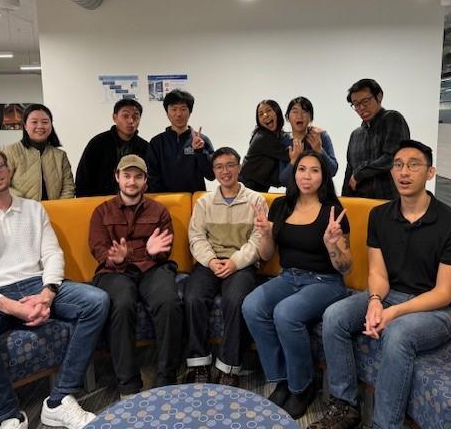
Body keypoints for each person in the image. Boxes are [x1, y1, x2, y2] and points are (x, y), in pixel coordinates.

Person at [309, 139, 451, 429]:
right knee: (334, 316)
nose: (404, 172)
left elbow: (444, 293)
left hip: (434, 309)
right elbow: (379, 275)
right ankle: (345, 406)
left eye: (413, 165)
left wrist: (392, 312)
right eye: (398, 165)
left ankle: (385, 425)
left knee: (396, 334)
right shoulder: (380, 216)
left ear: (430, 172)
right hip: (389, 295)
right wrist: (374, 301)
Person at [0, 146, 109, 429]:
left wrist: (48, 293)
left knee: (96, 300)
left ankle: (59, 400)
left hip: (36, 283)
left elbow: (52, 255)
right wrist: (14, 308)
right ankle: (9, 414)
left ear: (8, 169)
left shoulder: (33, 209)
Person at [242, 150, 352, 419]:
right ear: (294, 173)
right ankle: (283, 379)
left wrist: (331, 245)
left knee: (286, 313)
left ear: (323, 176)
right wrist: (266, 234)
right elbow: (268, 255)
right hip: (289, 277)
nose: (307, 176)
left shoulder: (333, 211)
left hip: (326, 281)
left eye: (315, 170)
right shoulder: (281, 206)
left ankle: (303, 386)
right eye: (302, 169)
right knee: (252, 305)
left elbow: (346, 266)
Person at [89, 155, 182, 397]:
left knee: (169, 302)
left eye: (137, 176)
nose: (132, 181)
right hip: (114, 271)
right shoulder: (101, 212)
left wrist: (136, 253)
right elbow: (100, 250)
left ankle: (166, 378)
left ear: (145, 181)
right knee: (121, 303)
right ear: (117, 177)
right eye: (127, 176)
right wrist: (130, 255)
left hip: (153, 268)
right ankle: (128, 385)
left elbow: (162, 251)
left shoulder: (159, 211)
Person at [184, 147, 265, 387]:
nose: (225, 171)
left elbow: (258, 238)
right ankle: (199, 364)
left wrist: (235, 262)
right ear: (214, 171)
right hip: (210, 262)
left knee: (235, 300)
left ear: (239, 167)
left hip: (241, 264)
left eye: (230, 165)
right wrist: (210, 261)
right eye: (219, 167)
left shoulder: (255, 200)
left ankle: (229, 368)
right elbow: (196, 237)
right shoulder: (204, 202)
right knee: (193, 297)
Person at [342, 79, 410, 200]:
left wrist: (359, 174)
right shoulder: (355, 135)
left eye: (365, 101)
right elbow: (349, 170)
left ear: (379, 97)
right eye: (356, 104)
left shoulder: (393, 118)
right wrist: (344, 201)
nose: (361, 108)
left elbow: (392, 157)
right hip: (360, 202)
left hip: (388, 201)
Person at [75, 98, 149, 197]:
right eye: (125, 116)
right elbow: (83, 177)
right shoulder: (98, 143)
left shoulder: (145, 146)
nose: (131, 121)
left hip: (133, 202)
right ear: (115, 118)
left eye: (135, 117)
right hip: (100, 203)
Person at [146, 89, 214, 192]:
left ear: (190, 112)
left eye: (183, 109)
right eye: (174, 109)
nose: (178, 114)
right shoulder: (157, 142)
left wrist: (200, 152)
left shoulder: (202, 140)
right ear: (167, 113)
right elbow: (151, 175)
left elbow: (211, 175)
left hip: (194, 200)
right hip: (165, 201)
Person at [4, 104, 74, 201]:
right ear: (25, 125)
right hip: (22, 211)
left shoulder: (60, 155)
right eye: (34, 122)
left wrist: (59, 207)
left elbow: (68, 186)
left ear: (51, 125)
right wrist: (25, 205)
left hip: (55, 211)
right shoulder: (11, 151)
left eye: (45, 122)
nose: (40, 126)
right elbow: (3, 184)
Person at [279, 97, 338, 186]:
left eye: (304, 112)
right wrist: (294, 160)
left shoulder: (321, 136)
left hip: (320, 195)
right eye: (295, 111)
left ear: (311, 118)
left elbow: (332, 171)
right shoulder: (284, 141)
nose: (300, 116)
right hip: (294, 196)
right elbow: (283, 181)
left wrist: (319, 150)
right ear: (287, 117)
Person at [239, 100, 289, 192]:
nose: (265, 115)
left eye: (268, 110)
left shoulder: (276, 135)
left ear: (277, 112)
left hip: (256, 188)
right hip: (246, 187)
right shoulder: (263, 137)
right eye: (260, 114)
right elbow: (290, 155)